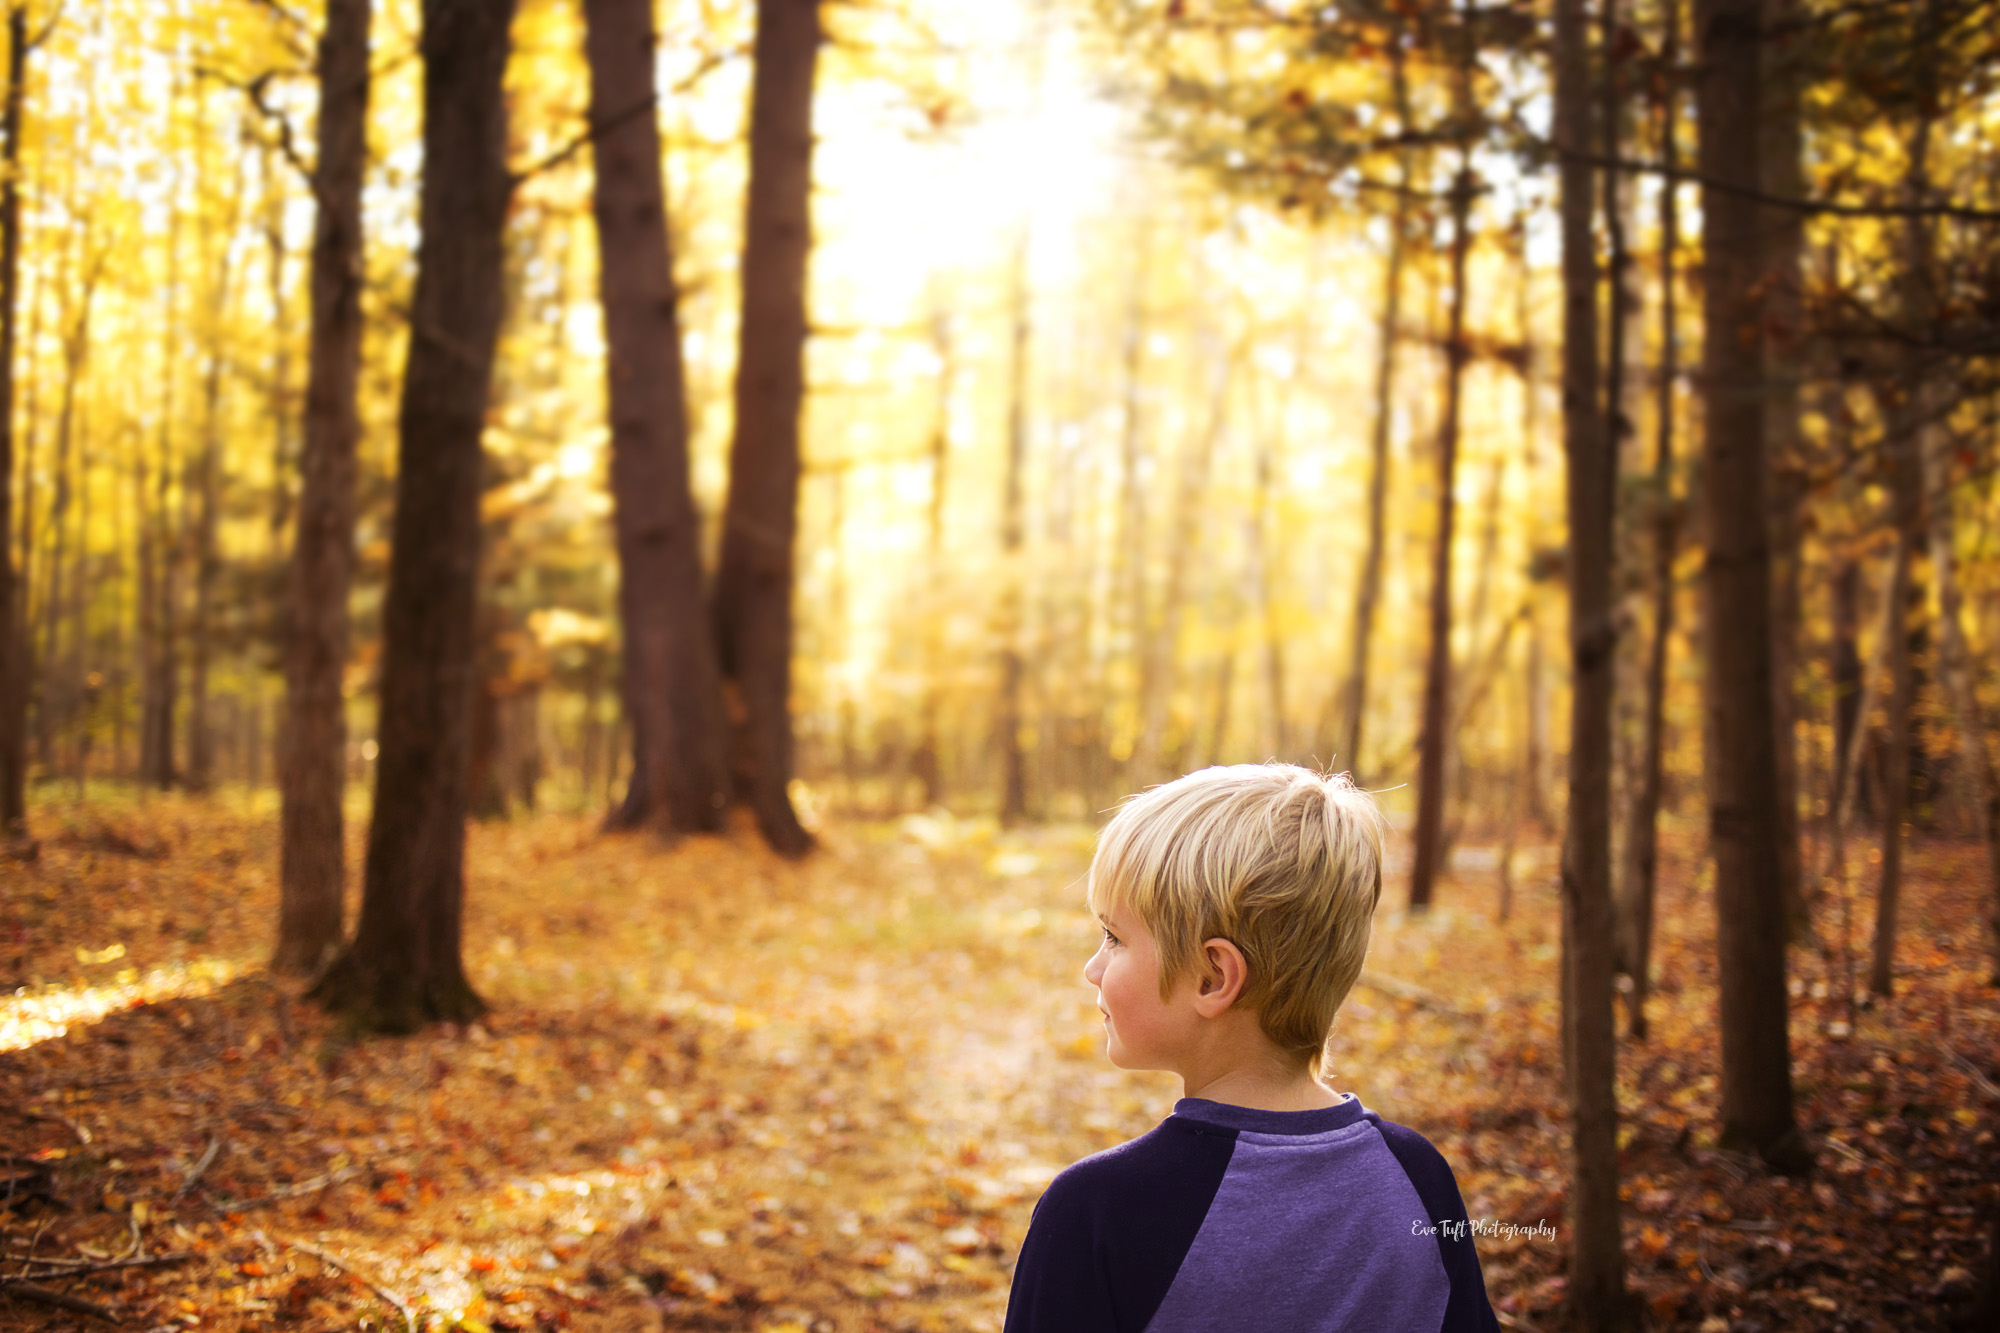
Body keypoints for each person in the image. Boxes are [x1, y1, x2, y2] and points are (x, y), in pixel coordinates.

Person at [1002, 763, 1500, 1333]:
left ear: (1213, 977)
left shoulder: (1097, 1214)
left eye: (1114, 938)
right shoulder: (1419, 1179)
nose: (1092, 968)